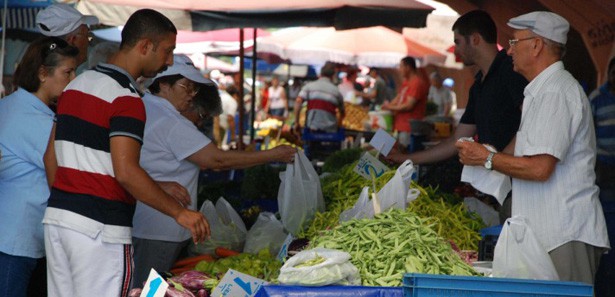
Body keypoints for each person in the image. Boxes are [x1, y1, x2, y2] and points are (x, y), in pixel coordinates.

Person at [42, 9, 210, 297]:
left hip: (59, 222)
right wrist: (180, 213)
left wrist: (72, 202)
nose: (169, 61)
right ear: (144, 46)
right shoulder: (126, 97)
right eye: (167, 51)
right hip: (100, 231)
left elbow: (51, 158)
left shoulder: (76, 85)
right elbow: (126, 172)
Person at [456, 11, 610, 284]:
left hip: (564, 233)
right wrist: (488, 158)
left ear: (537, 45)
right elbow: (523, 151)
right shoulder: (538, 92)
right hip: (546, 232)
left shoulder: (555, 92)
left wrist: (487, 158)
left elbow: (540, 168)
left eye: (515, 42)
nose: (510, 50)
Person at [132, 55, 296, 287]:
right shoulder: (168, 120)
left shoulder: (149, 108)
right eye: (186, 87)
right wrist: (273, 154)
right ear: (163, 84)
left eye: (194, 89)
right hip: (158, 227)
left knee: (154, 287)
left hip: (154, 222)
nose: (191, 94)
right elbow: (217, 160)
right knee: (150, 289)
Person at [0, 37, 78, 297]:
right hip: (15, 240)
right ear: (43, 74)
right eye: (68, 72)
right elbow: (66, 166)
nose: (73, 79)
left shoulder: (12, 105)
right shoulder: (31, 117)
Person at [381, 56, 429, 149]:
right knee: (386, 151)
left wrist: (389, 107)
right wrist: (387, 106)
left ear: (408, 67)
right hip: (399, 126)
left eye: (401, 66)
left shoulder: (417, 83)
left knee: (403, 154)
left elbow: (408, 106)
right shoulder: (406, 82)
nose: (399, 70)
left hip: (408, 128)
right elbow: (398, 98)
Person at [293, 62, 345, 134]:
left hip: (312, 129)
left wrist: (296, 122)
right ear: (333, 76)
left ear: (320, 74)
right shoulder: (336, 92)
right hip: (330, 132)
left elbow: (298, 102)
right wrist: (338, 125)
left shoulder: (309, 87)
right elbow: (342, 113)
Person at [590, 57, 615, 201]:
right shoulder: (596, 97)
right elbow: (588, 131)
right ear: (609, 74)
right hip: (604, 162)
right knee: (607, 202)